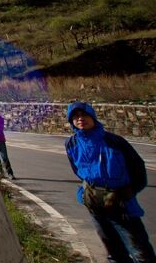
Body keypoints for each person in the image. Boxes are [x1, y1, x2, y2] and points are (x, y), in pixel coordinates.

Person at [65, 101, 155, 263]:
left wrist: (126, 193)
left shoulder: (115, 142)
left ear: (92, 116)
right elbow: (78, 170)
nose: (80, 119)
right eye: (75, 116)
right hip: (95, 203)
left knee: (141, 252)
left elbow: (138, 170)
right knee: (113, 251)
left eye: (84, 114)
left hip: (121, 204)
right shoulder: (71, 143)